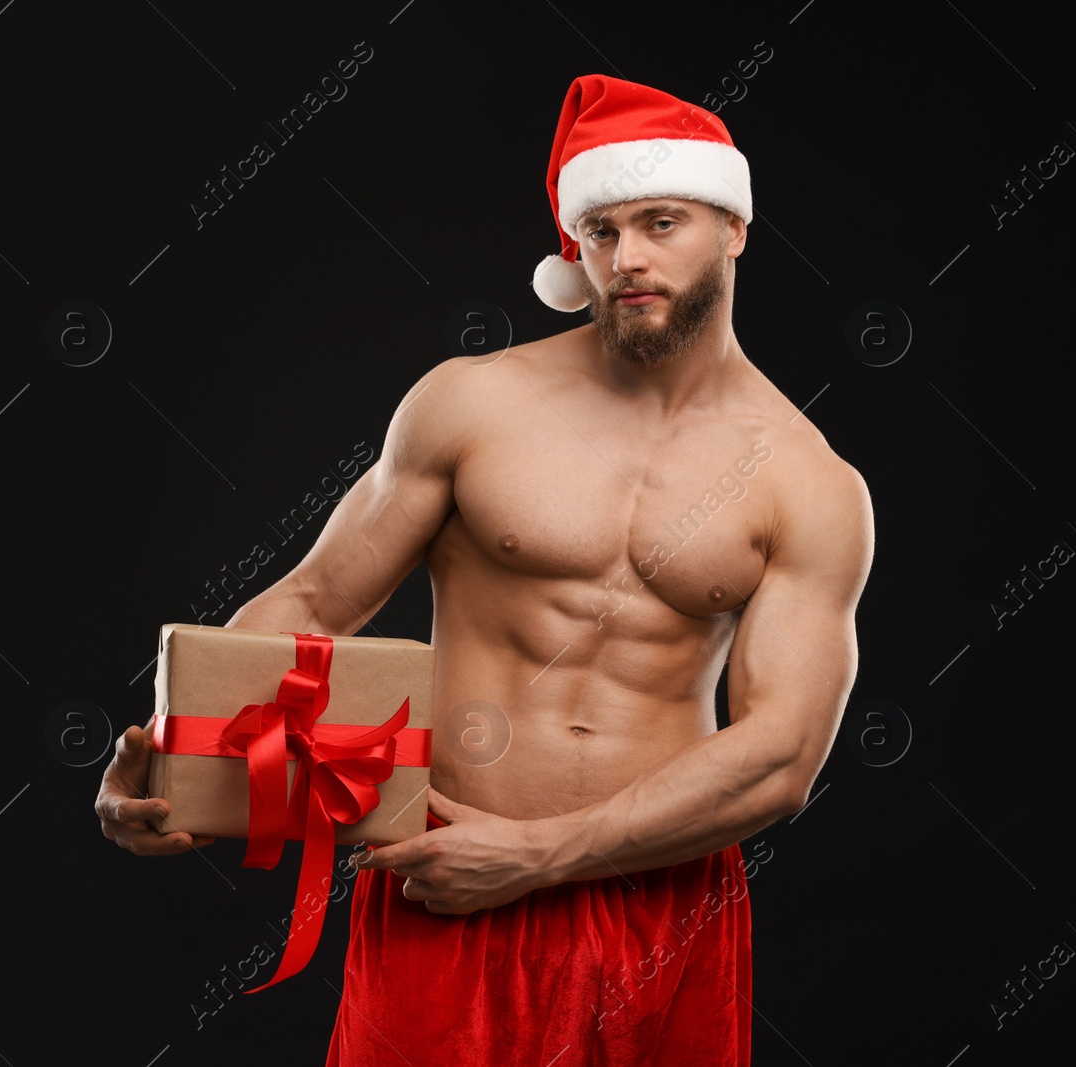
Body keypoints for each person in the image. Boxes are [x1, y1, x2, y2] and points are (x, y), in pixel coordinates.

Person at [95, 73, 874, 1066]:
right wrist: (188, 764)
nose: (626, 257)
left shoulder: (809, 483)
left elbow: (780, 753)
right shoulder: (470, 405)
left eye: (660, 221)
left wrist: (543, 853)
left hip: (656, 906)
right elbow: (313, 600)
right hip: (442, 880)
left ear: (733, 226)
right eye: (599, 230)